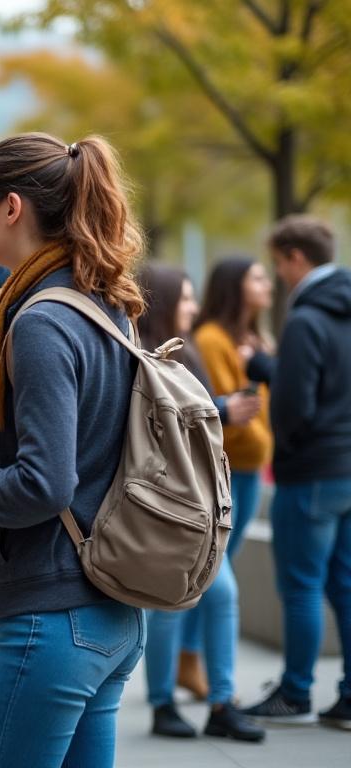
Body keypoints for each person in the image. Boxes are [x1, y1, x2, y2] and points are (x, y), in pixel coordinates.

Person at [0, 133, 146, 766]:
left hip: (57, 618)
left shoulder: (41, 322)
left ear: (11, 208)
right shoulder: (104, 308)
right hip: (108, 615)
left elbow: (46, 485)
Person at [136, 265, 265, 743]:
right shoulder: (147, 354)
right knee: (172, 602)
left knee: (218, 594)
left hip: (203, 500)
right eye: (185, 299)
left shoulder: (187, 350)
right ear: (166, 303)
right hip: (168, 503)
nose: (192, 307)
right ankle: (163, 704)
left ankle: (219, 703)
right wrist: (222, 408)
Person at [241, 215, 351, 729]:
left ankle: (296, 691)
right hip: (347, 468)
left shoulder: (305, 319)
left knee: (302, 586)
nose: (279, 274)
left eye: (279, 263)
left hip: (310, 473)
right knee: (345, 584)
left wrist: (265, 376)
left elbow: (295, 407)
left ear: (295, 258)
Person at [173, 257, 271, 701]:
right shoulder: (212, 340)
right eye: (256, 277)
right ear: (234, 286)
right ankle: (194, 666)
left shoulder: (253, 337)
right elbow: (218, 407)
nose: (265, 284)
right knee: (216, 572)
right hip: (227, 469)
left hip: (250, 470)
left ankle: (188, 660)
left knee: (217, 570)